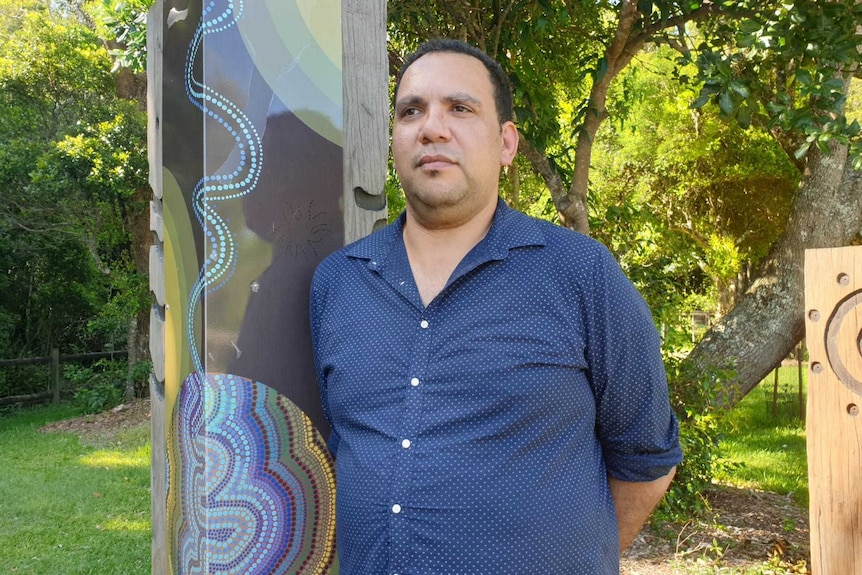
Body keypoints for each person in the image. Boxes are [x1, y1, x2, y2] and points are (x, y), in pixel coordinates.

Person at [310, 38, 682, 574]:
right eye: (411, 111)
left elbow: (646, 459)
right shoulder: (339, 283)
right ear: (395, 139)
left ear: (506, 143)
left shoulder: (580, 274)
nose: (432, 127)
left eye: (459, 108)